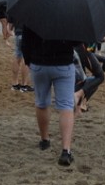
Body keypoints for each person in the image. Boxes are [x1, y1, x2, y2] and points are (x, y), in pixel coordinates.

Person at [21, 25, 80, 166]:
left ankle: (44, 140)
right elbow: (77, 42)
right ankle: (66, 150)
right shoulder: (70, 14)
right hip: (63, 63)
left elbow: (25, 42)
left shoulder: (34, 13)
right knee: (66, 106)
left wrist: (29, 60)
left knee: (41, 103)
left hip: (39, 63)